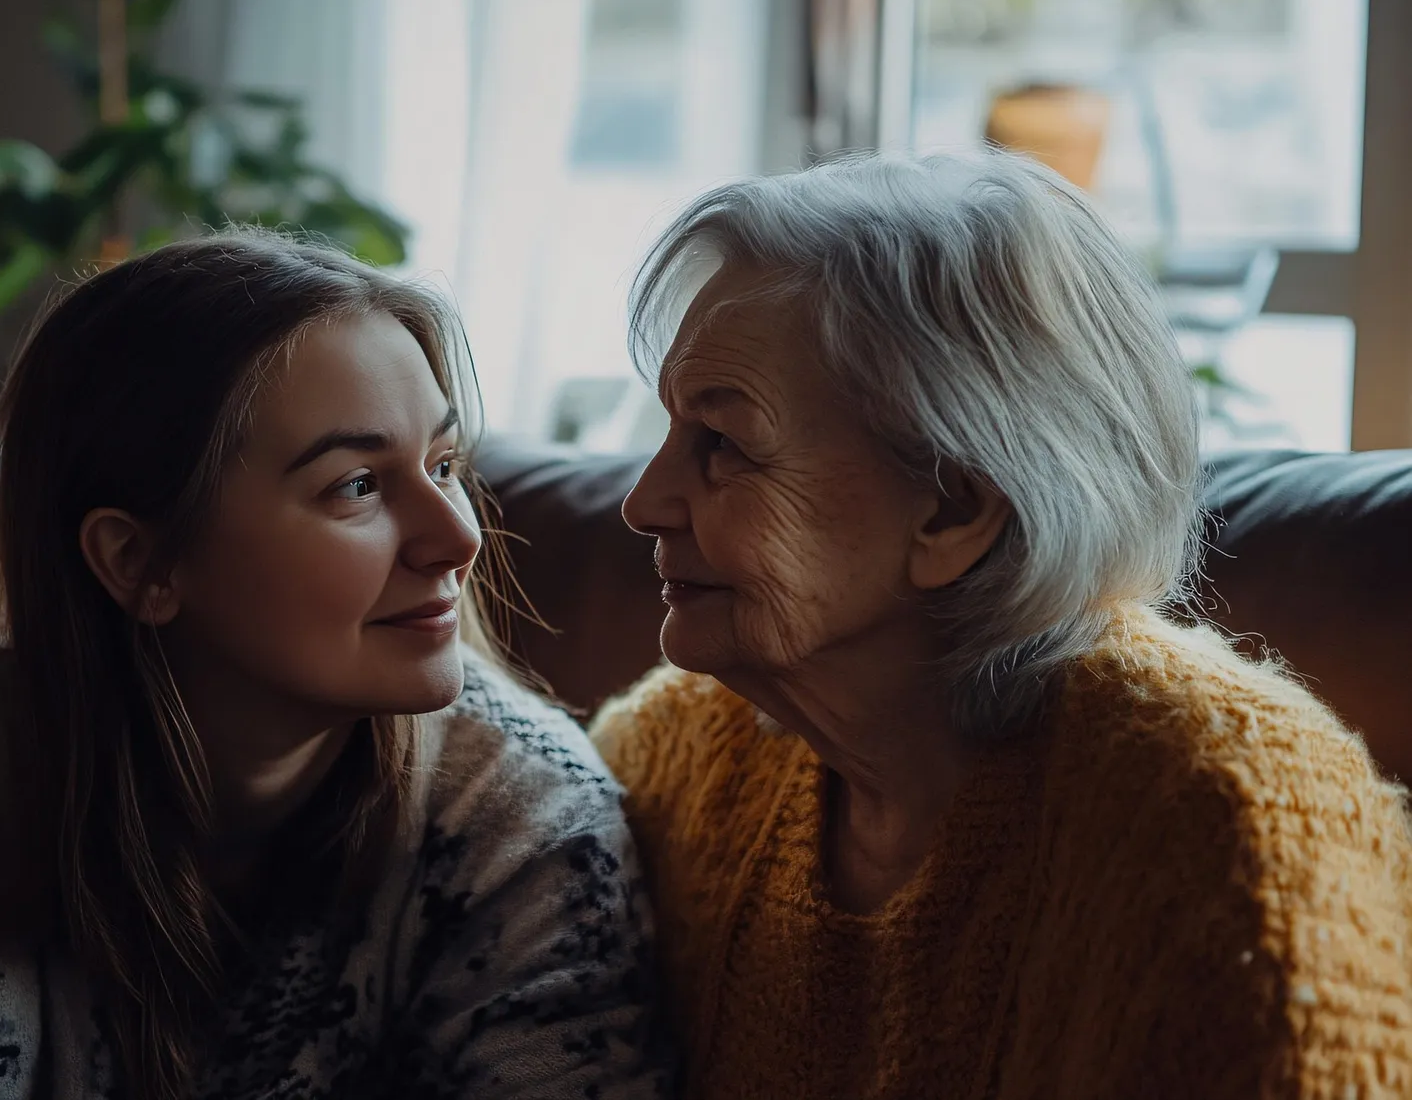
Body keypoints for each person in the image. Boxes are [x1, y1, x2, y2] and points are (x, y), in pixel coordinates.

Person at [0, 233, 670, 1099]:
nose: (458, 538)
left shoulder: (529, 825)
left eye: (444, 463)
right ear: (139, 561)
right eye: (356, 485)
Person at [590, 149, 1412, 1099]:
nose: (644, 502)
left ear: (952, 511)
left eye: (724, 443)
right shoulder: (681, 754)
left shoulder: (1230, 827)